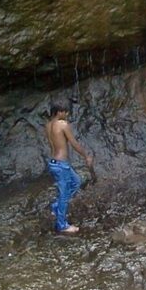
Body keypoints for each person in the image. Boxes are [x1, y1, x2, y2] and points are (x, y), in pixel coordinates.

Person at [45, 99, 93, 235]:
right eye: (66, 112)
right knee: (64, 195)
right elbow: (73, 143)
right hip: (61, 165)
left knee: (76, 181)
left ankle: (56, 206)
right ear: (60, 112)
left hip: (54, 163)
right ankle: (62, 225)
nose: (67, 114)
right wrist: (86, 156)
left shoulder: (48, 125)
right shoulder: (62, 124)